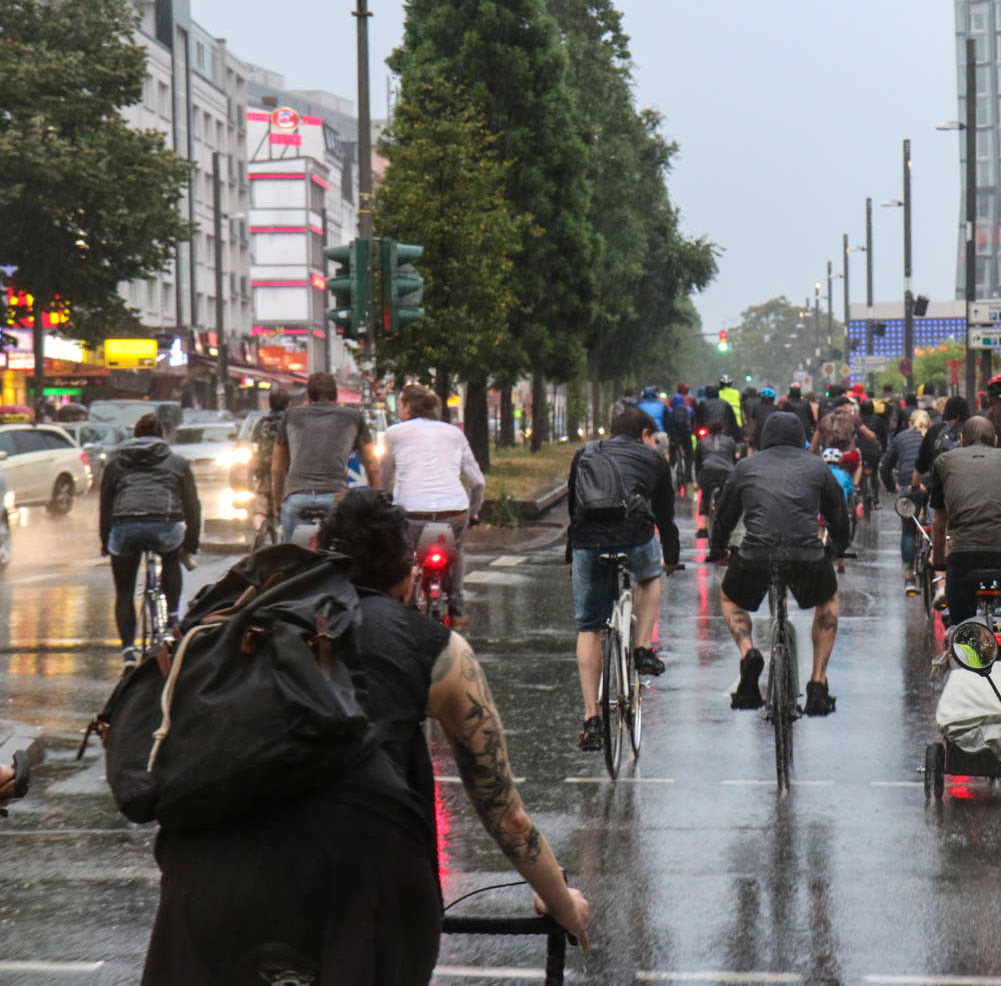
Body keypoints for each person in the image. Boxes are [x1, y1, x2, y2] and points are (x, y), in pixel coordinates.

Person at [140, 490, 590, 983]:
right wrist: (561, 901)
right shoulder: (435, 648)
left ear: (317, 553)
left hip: (207, 875)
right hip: (359, 881)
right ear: (408, 574)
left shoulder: (251, 624)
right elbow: (505, 812)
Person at [710, 412, 852, 717]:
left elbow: (724, 516)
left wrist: (717, 548)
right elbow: (838, 512)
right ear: (801, 437)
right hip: (806, 556)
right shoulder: (817, 466)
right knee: (827, 599)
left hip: (756, 555)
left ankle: (749, 654)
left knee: (730, 598)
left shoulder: (746, 467)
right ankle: (818, 683)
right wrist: (838, 546)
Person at [565, 406, 680, 750]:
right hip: (635, 535)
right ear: (644, 434)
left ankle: (591, 718)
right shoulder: (654, 460)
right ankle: (642, 647)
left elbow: (574, 507)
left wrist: (573, 555)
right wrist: (671, 558)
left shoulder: (584, 454)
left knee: (590, 627)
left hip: (588, 540)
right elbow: (665, 517)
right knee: (649, 576)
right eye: (653, 438)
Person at [99, 413, 202, 668]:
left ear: (134, 436)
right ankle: (172, 620)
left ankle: (127, 653)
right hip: (165, 526)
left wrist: (105, 541)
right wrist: (190, 544)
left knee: (124, 591)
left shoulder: (115, 464)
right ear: (162, 436)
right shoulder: (177, 462)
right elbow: (193, 506)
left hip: (125, 528)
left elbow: (106, 506)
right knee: (171, 560)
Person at [381, 385, 485, 626]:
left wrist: (382, 502)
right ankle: (457, 609)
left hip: (410, 513)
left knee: (406, 556)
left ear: (408, 406)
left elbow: (384, 476)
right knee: (456, 550)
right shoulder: (455, 434)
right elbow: (478, 481)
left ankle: (402, 605)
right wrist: (474, 511)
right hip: (454, 512)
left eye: (400, 404)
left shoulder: (394, 433)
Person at [928, 416, 1001, 626]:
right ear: (995, 440)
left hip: (964, 554)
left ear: (962, 440)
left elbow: (938, 522)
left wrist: (938, 561)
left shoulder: (944, 463)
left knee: (961, 620)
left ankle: (964, 634)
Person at [273, 371, 381, 541]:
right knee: (342, 553)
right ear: (336, 395)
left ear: (308, 397)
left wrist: (278, 504)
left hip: (297, 498)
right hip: (337, 500)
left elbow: (277, 468)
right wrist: (377, 505)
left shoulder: (290, 416)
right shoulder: (353, 417)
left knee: (291, 555)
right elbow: (373, 467)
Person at [882, 409, 933, 593]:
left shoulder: (900, 438)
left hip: (907, 487)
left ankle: (909, 577)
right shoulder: (934, 437)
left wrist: (890, 487)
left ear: (910, 423)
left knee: (908, 531)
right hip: (930, 486)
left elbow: (886, 466)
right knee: (935, 524)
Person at [250, 387, 291, 530]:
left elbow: (254, 445)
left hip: (265, 469)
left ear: (270, 404)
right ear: (288, 404)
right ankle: (284, 530)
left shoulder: (262, 423)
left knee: (261, 504)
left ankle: (259, 528)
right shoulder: (291, 422)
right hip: (286, 470)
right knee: (287, 503)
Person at [912, 395, 969, 491]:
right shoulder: (974, 429)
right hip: (970, 490)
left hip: (941, 491)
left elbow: (921, 465)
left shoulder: (935, 431)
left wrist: (915, 487)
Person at [693, 418, 738, 540]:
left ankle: (703, 529)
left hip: (707, 472)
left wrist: (697, 480)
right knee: (726, 499)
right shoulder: (729, 441)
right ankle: (725, 527)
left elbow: (697, 463)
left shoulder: (702, 442)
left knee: (705, 496)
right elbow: (734, 460)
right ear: (722, 429)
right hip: (726, 472)